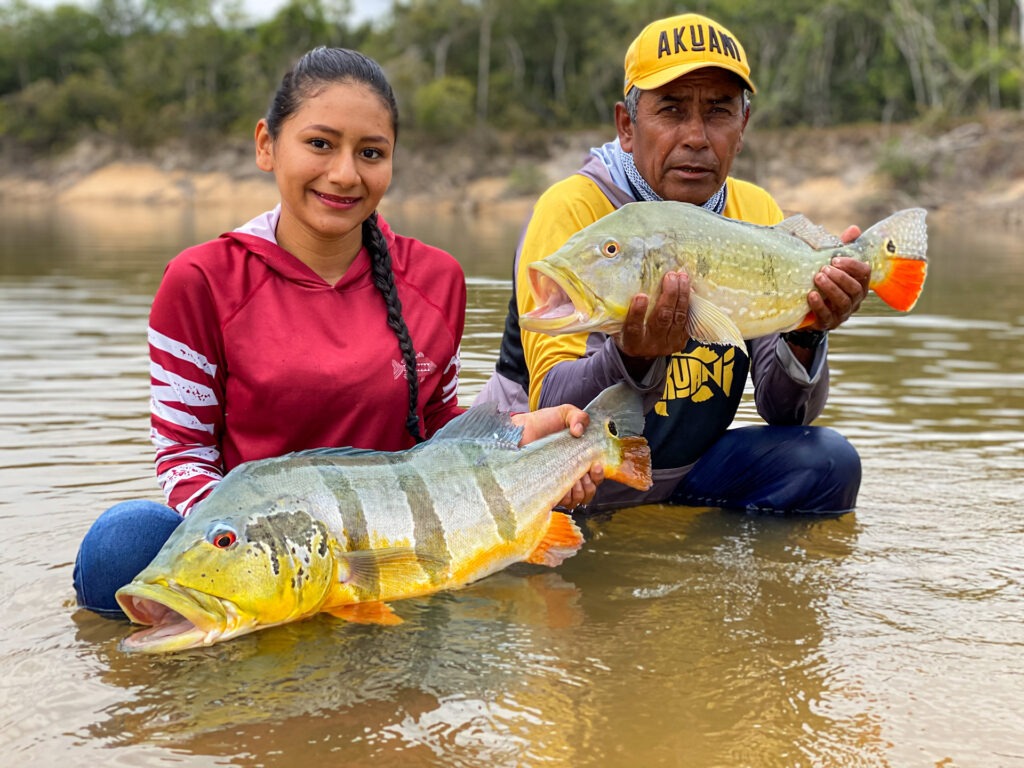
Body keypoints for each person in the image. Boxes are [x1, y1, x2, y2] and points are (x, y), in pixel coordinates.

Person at [74, 47, 601, 618]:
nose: (345, 174)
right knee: (119, 545)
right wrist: (274, 558)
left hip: (391, 547)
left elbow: (439, 433)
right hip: (259, 553)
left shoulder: (436, 277)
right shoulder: (200, 280)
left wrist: (524, 440)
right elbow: (185, 453)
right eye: (320, 144)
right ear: (266, 145)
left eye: (370, 153)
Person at [475, 13, 867, 514]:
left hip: (679, 474)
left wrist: (809, 330)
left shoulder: (757, 213)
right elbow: (550, 402)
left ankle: (708, 582)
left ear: (743, 126)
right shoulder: (571, 210)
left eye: (719, 112)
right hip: (558, 475)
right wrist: (632, 357)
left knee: (825, 463)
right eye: (672, 110)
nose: (696, 137)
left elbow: (785, 411)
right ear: (627, 126)